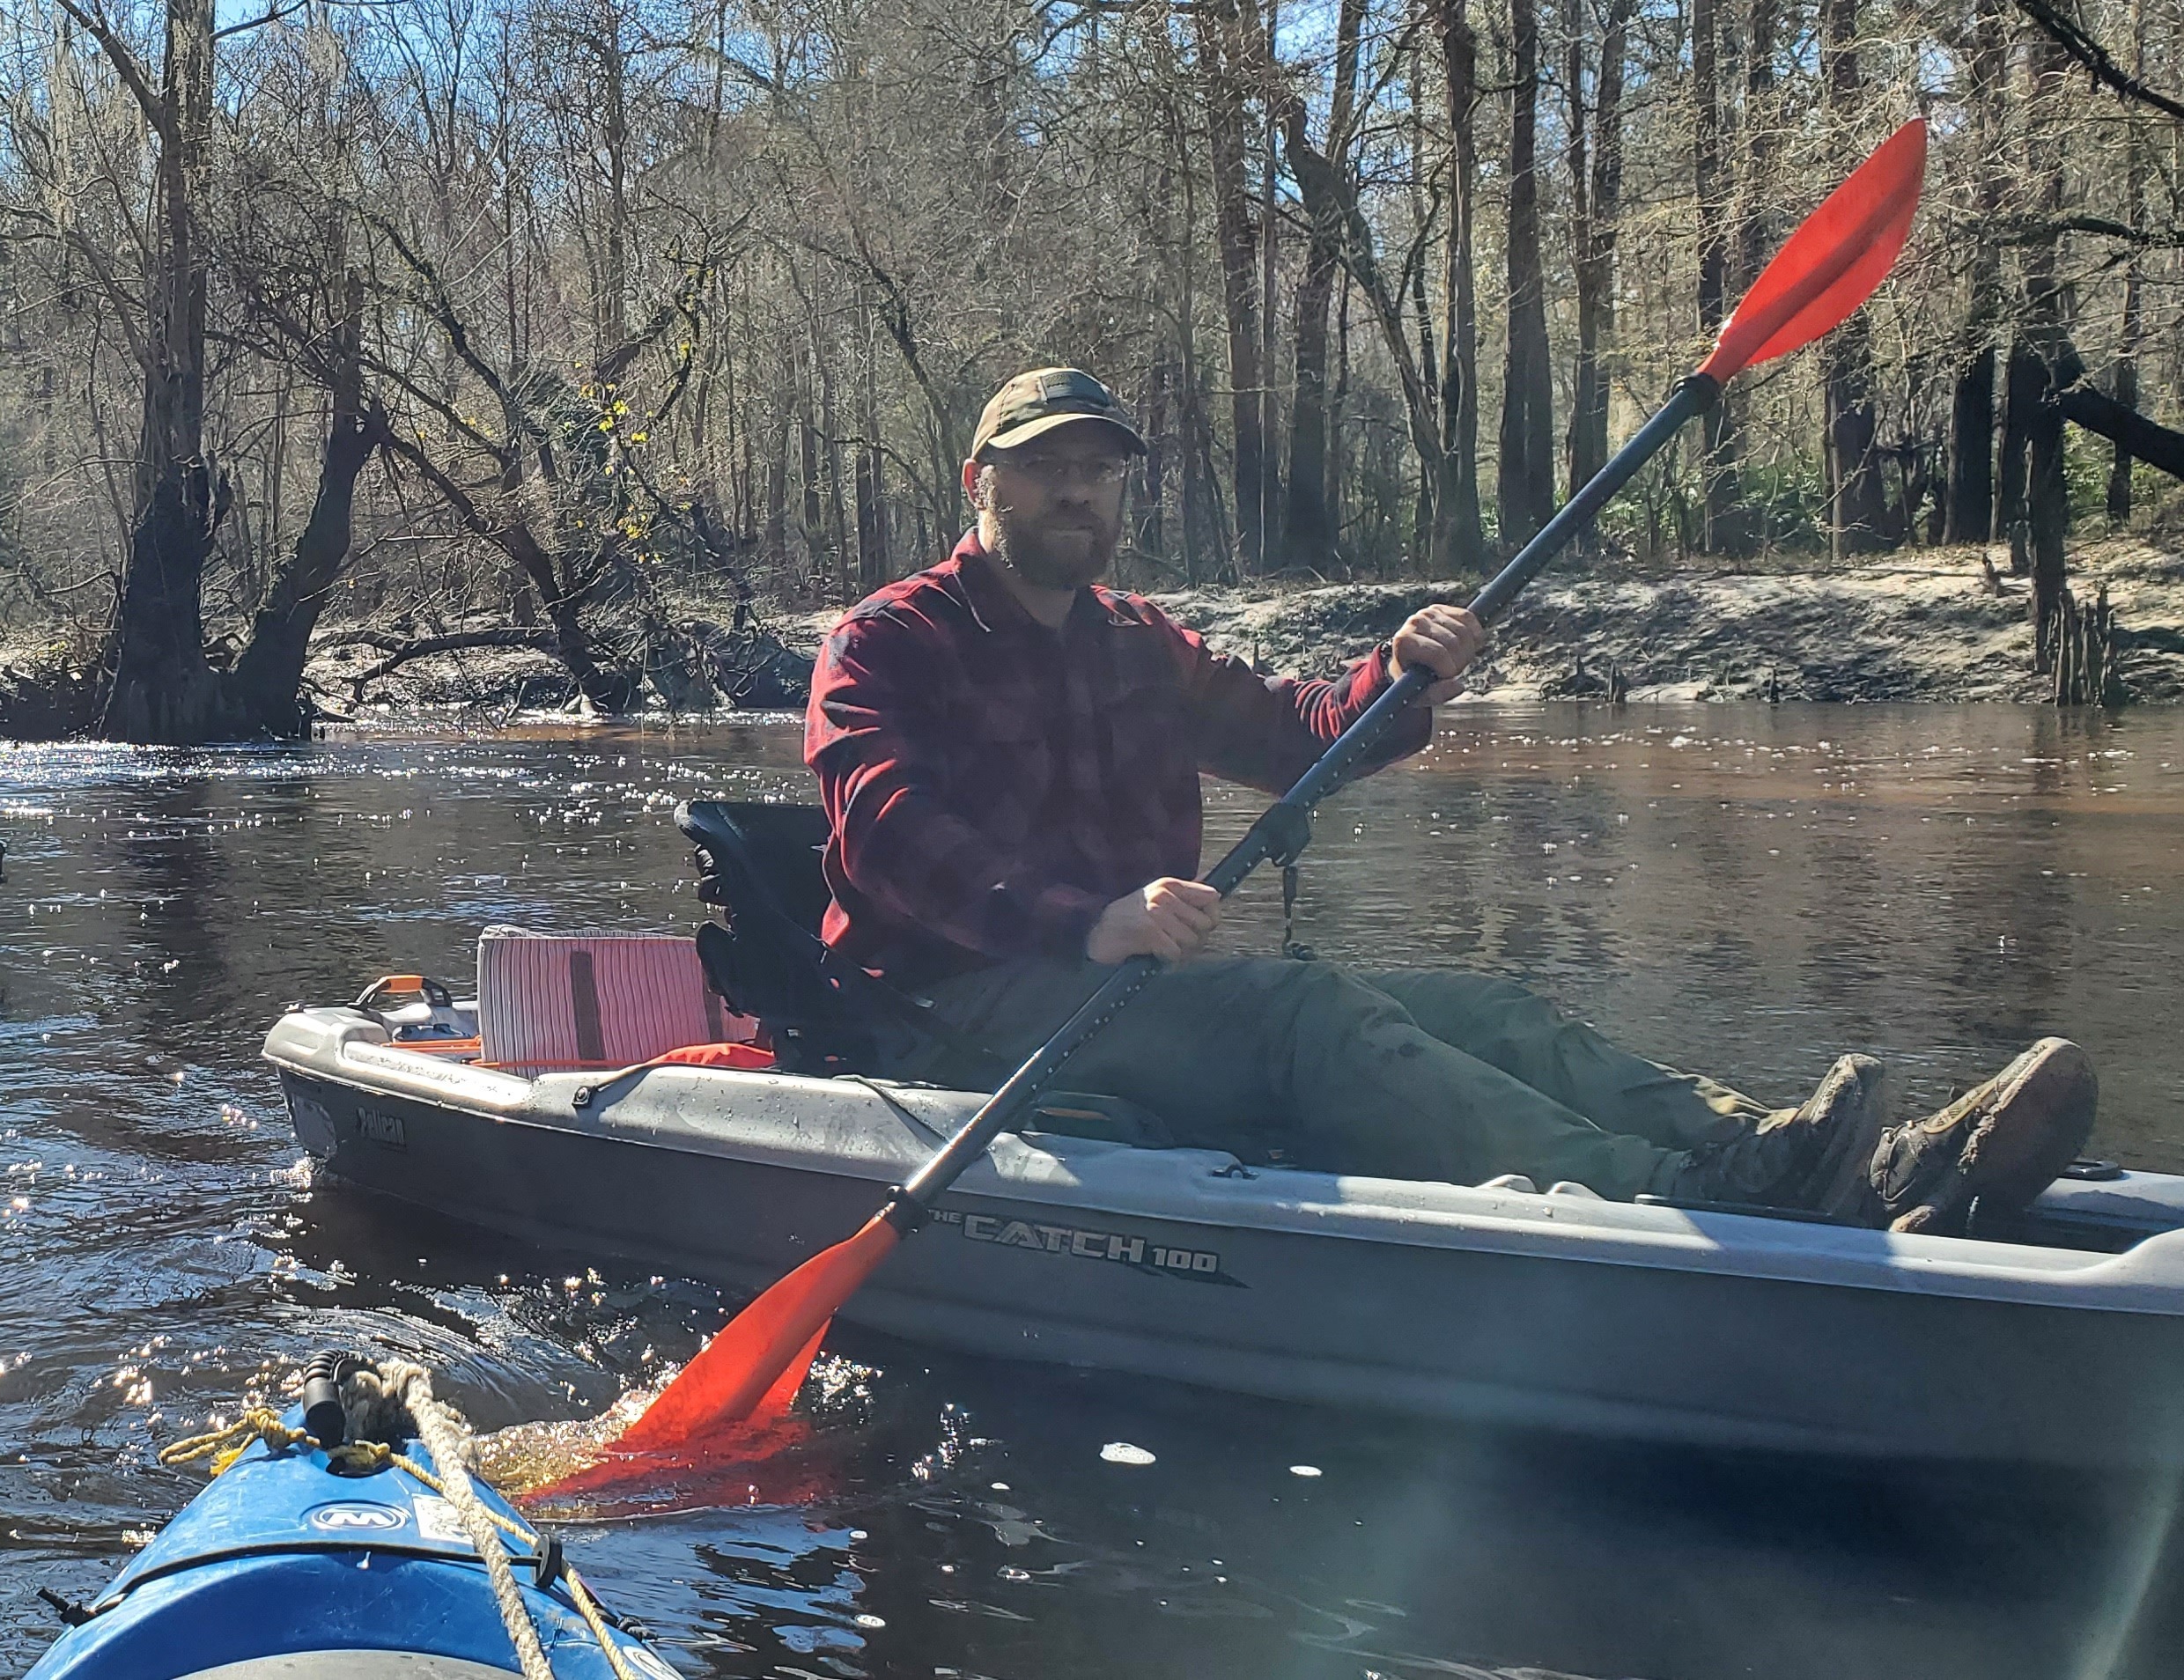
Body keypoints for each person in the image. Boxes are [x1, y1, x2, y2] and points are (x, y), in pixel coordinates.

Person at [806, 367, 2094, 1236]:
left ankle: (1823, 1160)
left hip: (1112, 989)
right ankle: (1695, 1196)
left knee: (1483, 1003)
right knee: (1300, 1009)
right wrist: (1084, 917)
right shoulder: (887, 641)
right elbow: (885, 830)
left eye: (1100, 470)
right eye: (1045, 469)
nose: (1078, 492)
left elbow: (1302, 730)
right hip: (951, 1011)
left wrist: (1395, 677)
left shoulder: (1137, 640)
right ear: (982, 478)